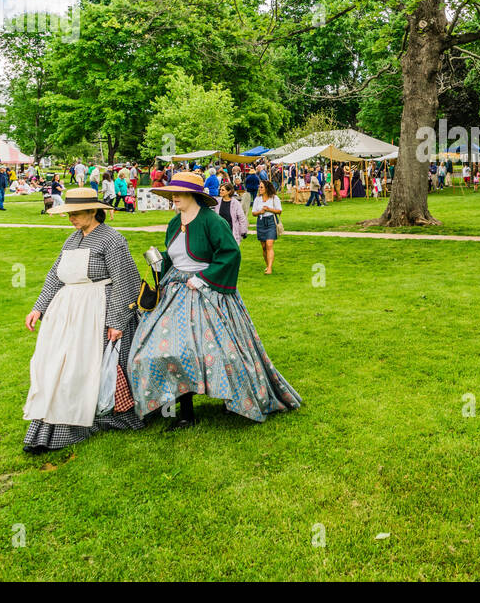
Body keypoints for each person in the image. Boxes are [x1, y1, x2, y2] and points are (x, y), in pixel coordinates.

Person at [129, 171, 302, 431]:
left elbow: (230, 253)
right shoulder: (175, 223)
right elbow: (176, 255)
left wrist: (205, 278)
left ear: (193, 195)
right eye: (172, 192)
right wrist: (159, 259)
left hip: (208, 293)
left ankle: (233, 396)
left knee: (220, 351)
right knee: (166, 348)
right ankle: (184, 411)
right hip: (175, 290)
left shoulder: (212, 221)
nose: (173, 197)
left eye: (179, 192)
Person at [22, 187, 146, 454]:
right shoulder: (71, 239)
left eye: (76, 213)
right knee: (56, 366)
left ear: (93, 210)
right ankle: (48, 423)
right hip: (68, 317)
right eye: (69, 214)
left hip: (97, 314)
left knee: (84, 369)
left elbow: (125, 282)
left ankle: (85, 420)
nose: (71, 219)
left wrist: (116, 321)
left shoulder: (112, 240)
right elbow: (55, 276)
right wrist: (38, 309)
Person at [250, 179, 282, 274]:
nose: (259, 189)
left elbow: (279, 211)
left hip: (271, 221)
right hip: (261, 222)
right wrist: (260, 212)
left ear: (267, 188)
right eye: (259, 187)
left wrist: (269, 209)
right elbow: (253, 213)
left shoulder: (274, 198)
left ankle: (270, 268)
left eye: (261, 187)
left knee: (269, 245)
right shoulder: (257, 199)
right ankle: (268, 265)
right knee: (263, 246)